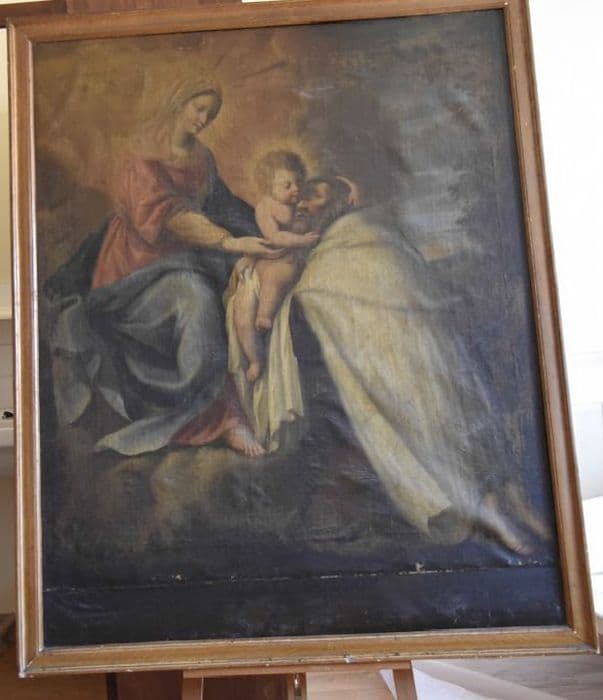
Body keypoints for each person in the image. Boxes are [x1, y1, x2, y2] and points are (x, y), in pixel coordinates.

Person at [243, 176, 546, 553]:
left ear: (344, 199)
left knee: (459, 400)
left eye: (314, 195)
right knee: (415, 412)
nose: (303, 204)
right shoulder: (318, 268)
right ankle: (482, 503)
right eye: (300, 198)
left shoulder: (372, 234)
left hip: (430, 351)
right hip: (390, 369)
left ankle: (508, 493)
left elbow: (415, 289)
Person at [45, 80, 283, 458]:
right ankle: (215, 418)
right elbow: (170, 215)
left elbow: (223, 206)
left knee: (222, 291)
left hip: (184, 262)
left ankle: (220, 415)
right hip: (133, 273)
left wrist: (272, 235)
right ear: (178, 102)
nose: (203, 119)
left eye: (210, 114)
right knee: (197, 300)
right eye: (199, 108)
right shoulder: (139, 154)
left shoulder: (201, 158)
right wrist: (230, 243)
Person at [233, 150, 319, 382]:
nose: (295, 189)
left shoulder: (302, 203)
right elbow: (274, 237)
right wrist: (301, 240)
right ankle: (255, 358)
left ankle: (265, 314)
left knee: (275, 276)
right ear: (269, 186)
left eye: (297, 182)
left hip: (289, 260)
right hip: (270, 256)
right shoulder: (265, 207)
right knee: (242, 314)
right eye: (286, 185)